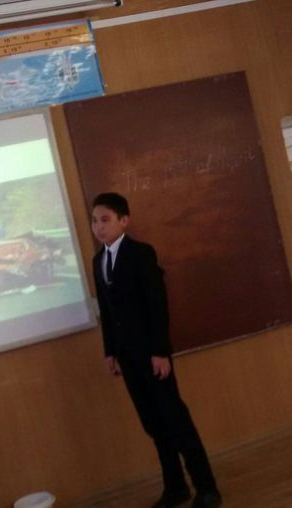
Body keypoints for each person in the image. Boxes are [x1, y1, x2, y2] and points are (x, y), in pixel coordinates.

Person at [90, 192, 221, 508]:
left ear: (124, 220)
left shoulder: (141, 254)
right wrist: (110, 352)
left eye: (105, 219)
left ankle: (207, 489)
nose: (99, 227)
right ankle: (175, 488)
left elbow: (157, 305)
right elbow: (107, 311)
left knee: (175, 419)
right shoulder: (99, 261)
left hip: (152, 354)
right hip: (126, 356)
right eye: (94, 221)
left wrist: (160, 351)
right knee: (153, 423)